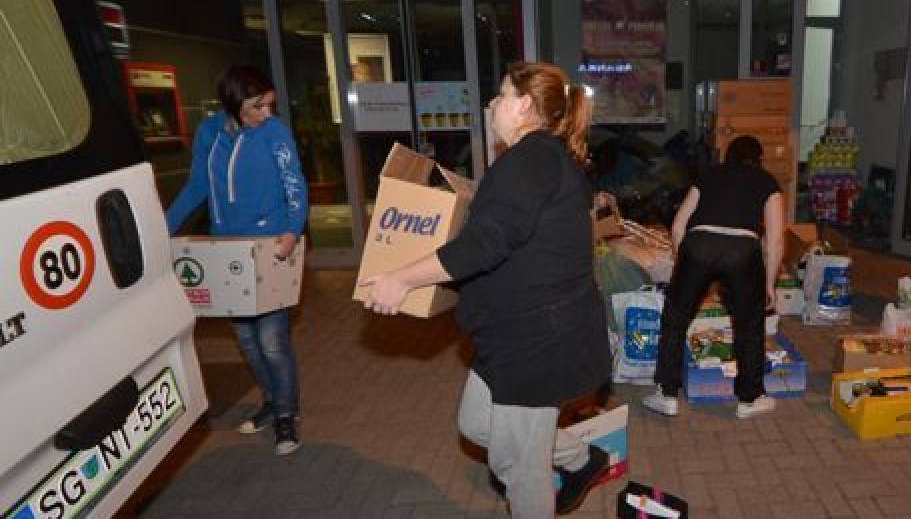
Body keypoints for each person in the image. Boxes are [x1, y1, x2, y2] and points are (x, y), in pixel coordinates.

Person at [360, 62, 611, 517]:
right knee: (477, 425)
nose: (492, 104)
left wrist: (401, 279)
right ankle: (582, 458)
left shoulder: (531, 159)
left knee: (518, 465)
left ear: (524, 105)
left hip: (537, 341)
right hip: (516, 333)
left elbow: (486, 243)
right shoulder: (540, 158)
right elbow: (508, 234)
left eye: (500, 95)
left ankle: (557, 471)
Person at [166, 65, 308, 456]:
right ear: (233, 103)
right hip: (226, 248)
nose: (266, 114)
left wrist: (293, 229)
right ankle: (271, 401)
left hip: (270, 246)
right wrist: (164, 227)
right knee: (246, 339)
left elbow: (294, 182)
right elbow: (198, 184)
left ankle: (286, 415)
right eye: (257, 106)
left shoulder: (275, 133)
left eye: (269, 105)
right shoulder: (210, 132)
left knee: (272, 340)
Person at [643, 135, 785, 419]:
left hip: (699, 244)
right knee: (749, 324)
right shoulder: (767, 182)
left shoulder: (709, 175)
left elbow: (678, 226)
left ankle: (667, 394)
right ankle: (749, 399)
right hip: (742, 249)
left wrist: (683, 264)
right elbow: (775, 241)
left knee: (675, 318)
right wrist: (769, 284)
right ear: (759, 159)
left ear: (727, 156)